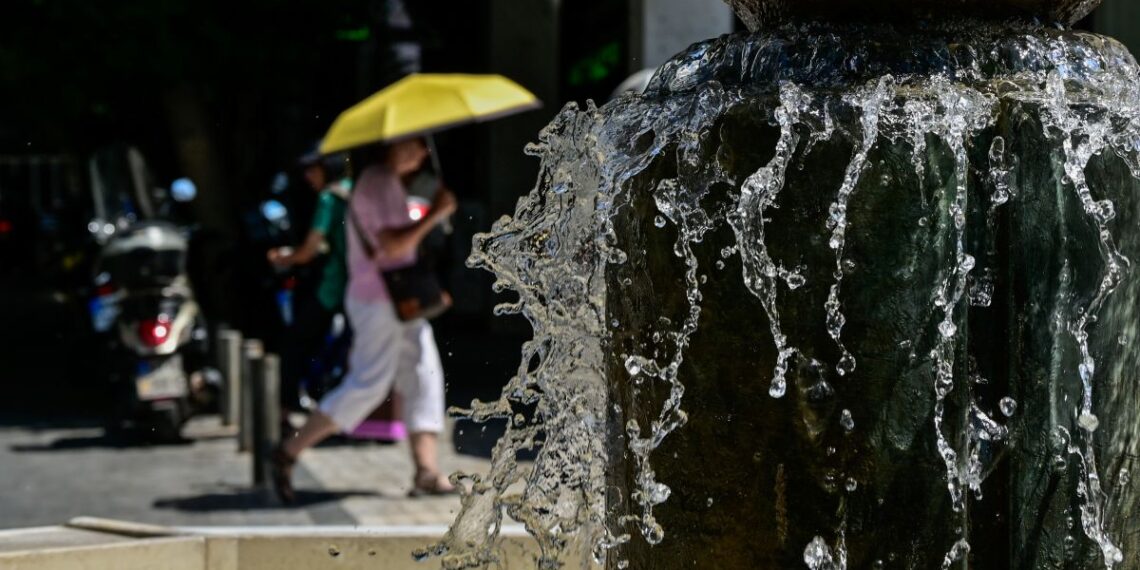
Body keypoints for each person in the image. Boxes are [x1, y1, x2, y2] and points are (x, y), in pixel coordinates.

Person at [272, 138, 457, 503]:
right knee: (368, 385)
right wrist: (438, 212)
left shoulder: (385, 181)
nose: (422, 153)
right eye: (416, 145)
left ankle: (427, 470)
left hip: (398, 302)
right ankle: (287, 452)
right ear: (395, 145)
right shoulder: (377, 182)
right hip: (378, 302)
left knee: (425, 376)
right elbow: (391, 246)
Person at [267, 152, 350, 413]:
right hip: (365, 286)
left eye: (312, 170)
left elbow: (309, 250)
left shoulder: (329, 197)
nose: (307, 177)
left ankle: (287, 404)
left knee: (296, 343)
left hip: (334, 286)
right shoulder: (358, 189)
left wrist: (285, 257)